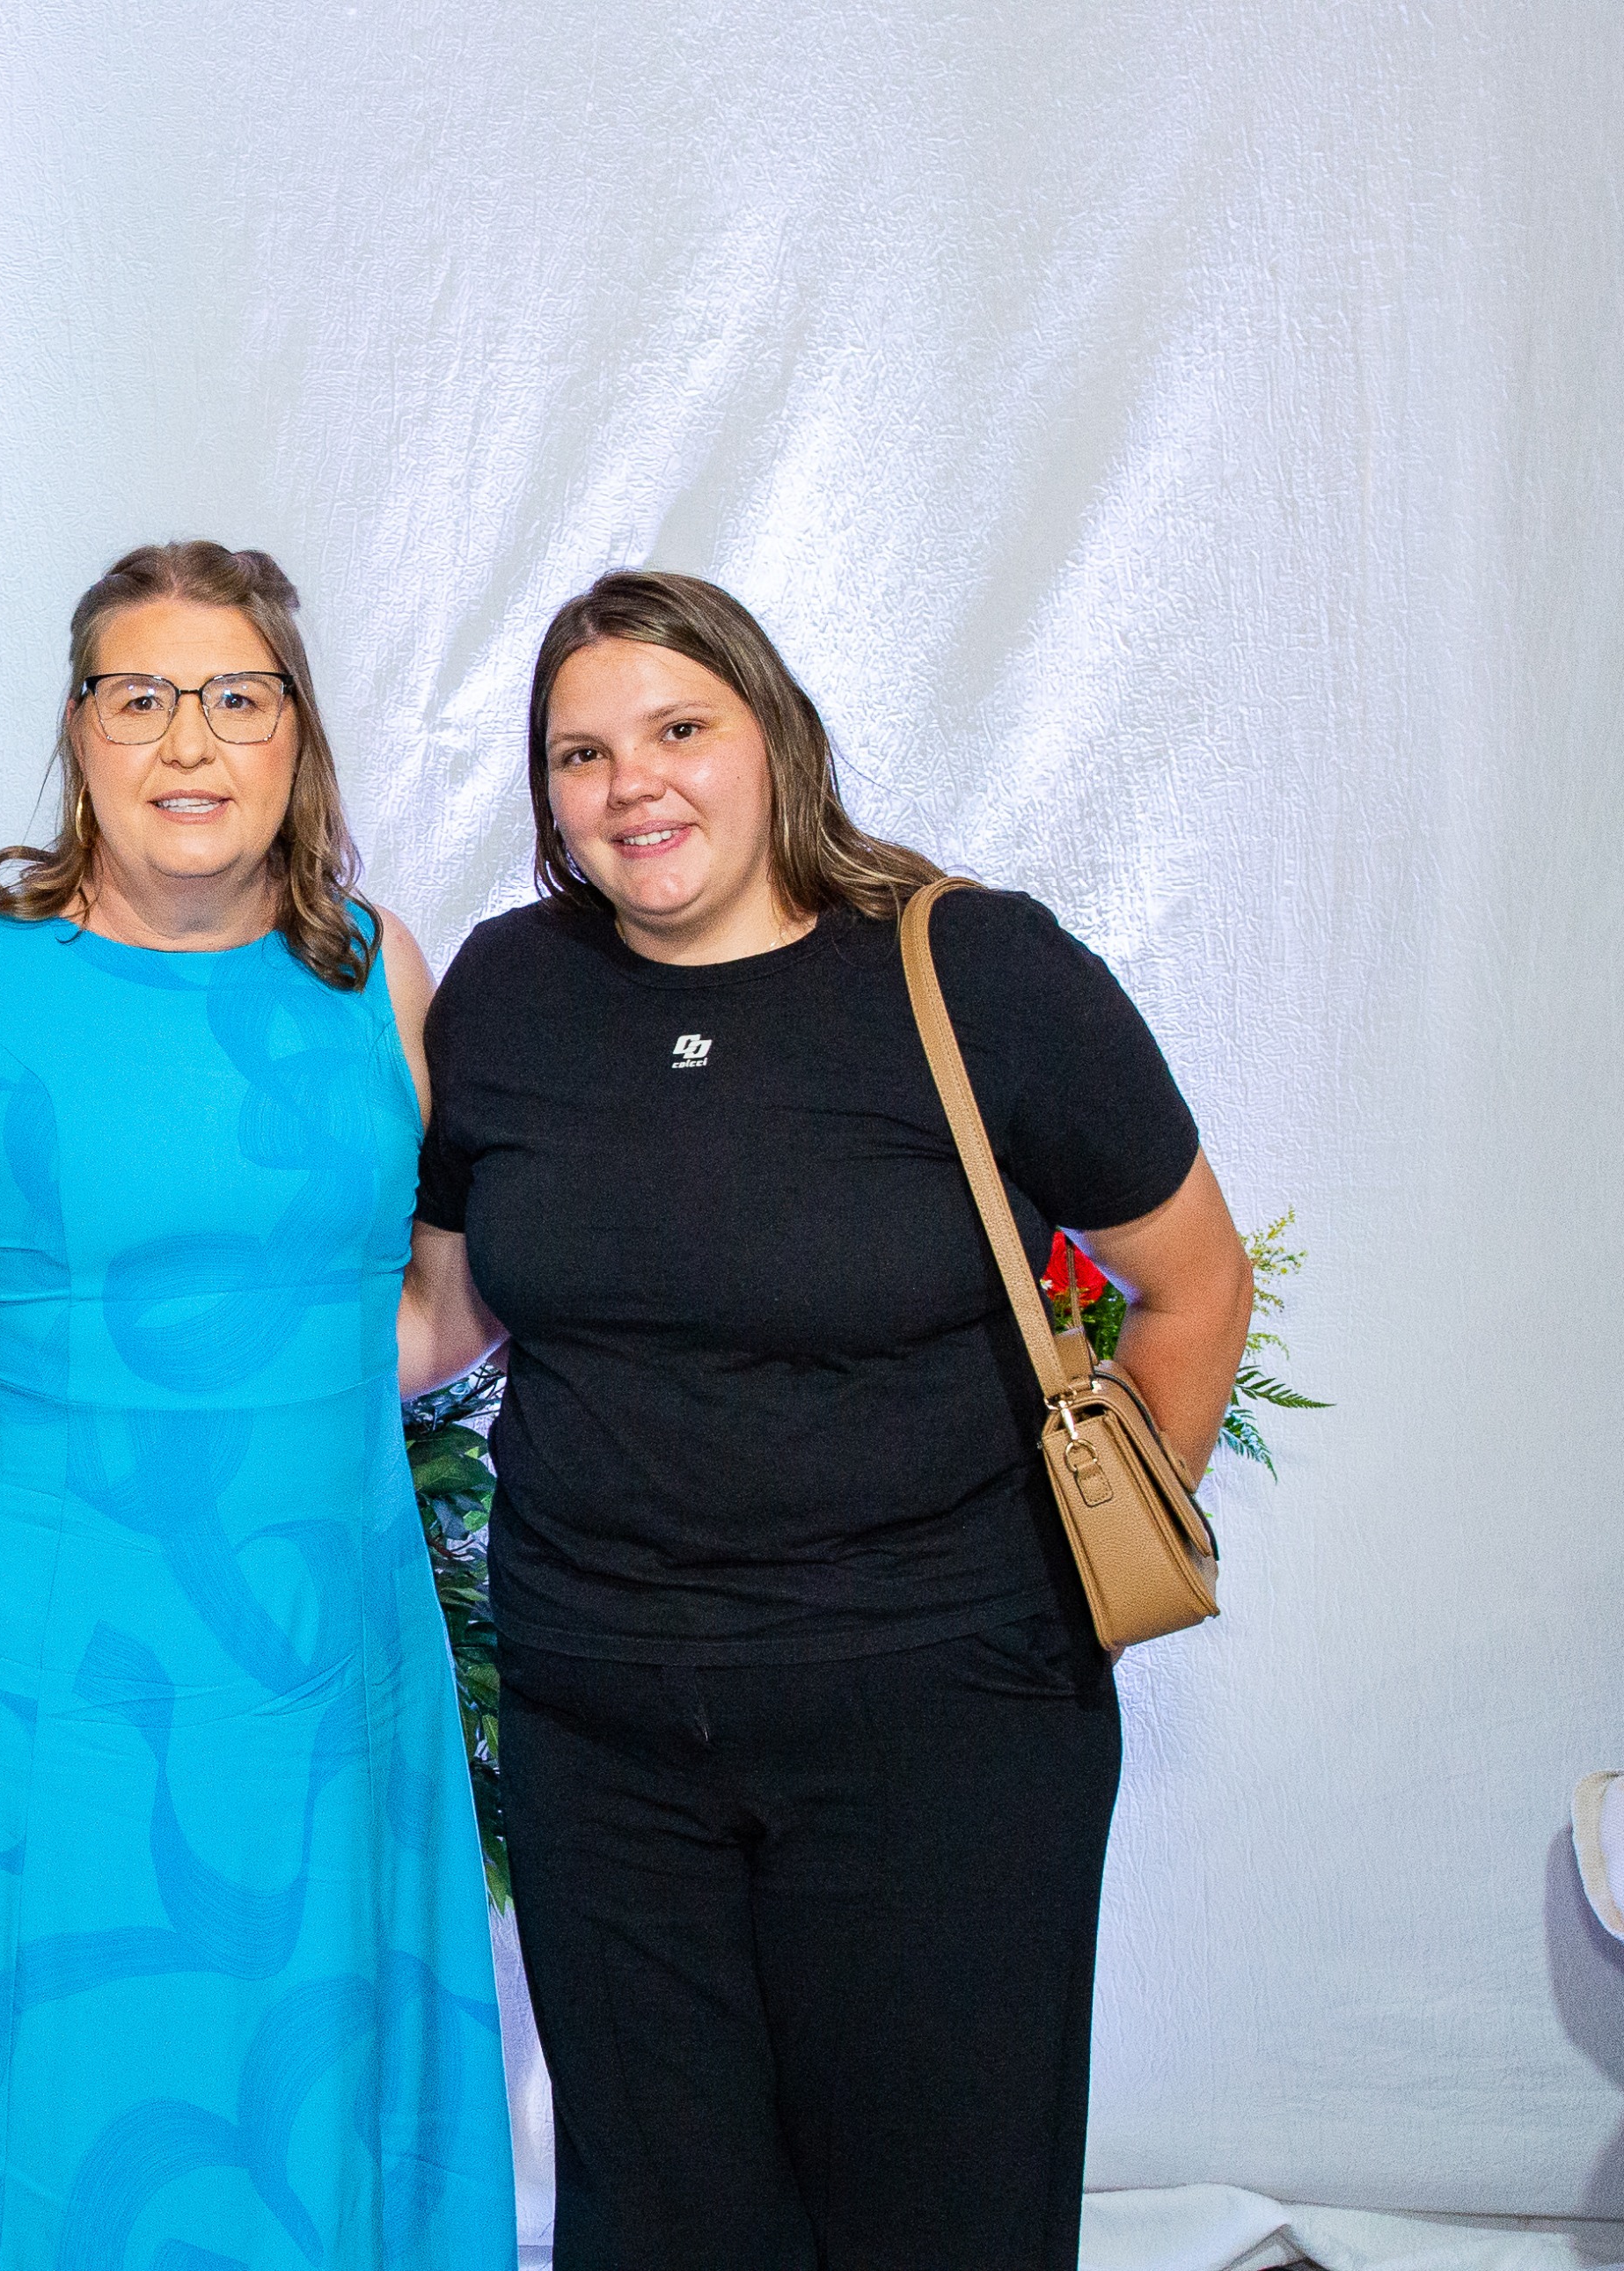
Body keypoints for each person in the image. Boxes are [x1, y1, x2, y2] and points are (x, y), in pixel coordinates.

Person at [406, 568, 1256, 2271]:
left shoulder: (974, 973)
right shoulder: (507, 993)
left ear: (775, 735)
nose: (631, 783)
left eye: (678, 728)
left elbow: (1195, 1286)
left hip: (944, 1733)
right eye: (581, 754)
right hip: (604, 1738)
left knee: (940, 2218)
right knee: (659, 2221)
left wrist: (1052, 1604)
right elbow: (444, 1309)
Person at [0, 540, 516, 2266]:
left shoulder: (381, 970)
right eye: (138, 697)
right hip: (64, 1670)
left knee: (318, 2092)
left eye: (235, 698)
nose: (188, 742)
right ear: (78, 731)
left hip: (335, 1649)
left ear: (298, 732)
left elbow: (428, 1315)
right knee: (75, 2089)